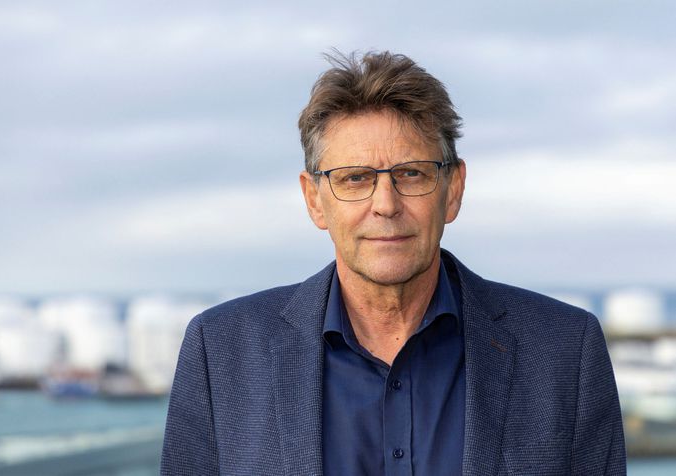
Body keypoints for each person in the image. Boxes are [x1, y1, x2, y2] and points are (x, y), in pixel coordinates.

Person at [161, 51, 625, 475]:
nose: (386, 204)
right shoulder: (220, 353)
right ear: (314, 199)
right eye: (355, 178)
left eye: (411, 174)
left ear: (453, 190)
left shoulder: (565, 351)